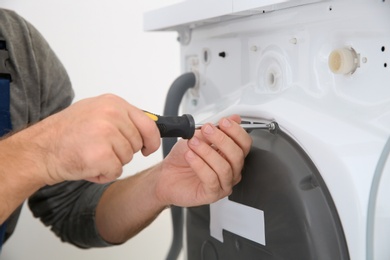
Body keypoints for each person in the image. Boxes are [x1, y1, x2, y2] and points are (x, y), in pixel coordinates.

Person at [0, 8, 252, 250]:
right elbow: (47, 156)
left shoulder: (20, 44)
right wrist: (45, 152)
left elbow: (72, 210)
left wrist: (158, 184)